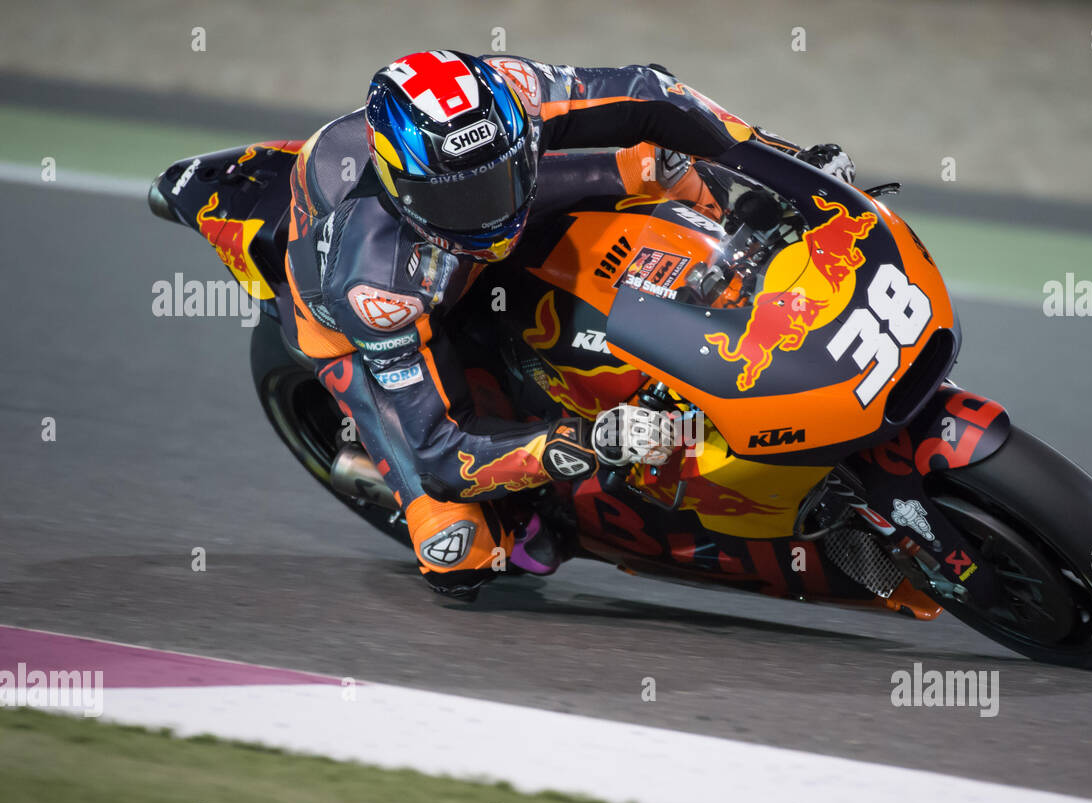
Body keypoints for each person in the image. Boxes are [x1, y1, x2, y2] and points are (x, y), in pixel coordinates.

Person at [282, 50, 855, 599]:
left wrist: (786, 166)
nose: (488, 210)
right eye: (463, 197)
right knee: (461, 552)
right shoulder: (373, 286)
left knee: (664, 166)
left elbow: (650, 93)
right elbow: (440, 451)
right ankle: (523, 510)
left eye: (496, 178)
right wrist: (579, 442)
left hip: (502, 209)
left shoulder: (512, 93)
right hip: (357, 322)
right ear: (404, 190)